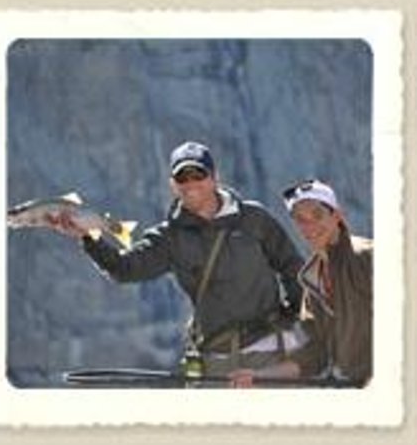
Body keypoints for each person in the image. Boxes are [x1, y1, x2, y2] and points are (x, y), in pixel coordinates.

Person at [55, 141, 305, 384]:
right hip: (216, 363)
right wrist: (87, 237)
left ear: (214, 178)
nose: (191, 183)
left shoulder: (254, 219)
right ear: (173, 185)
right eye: (182, 178)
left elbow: (293, 268)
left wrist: (301, 323)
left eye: (198, 175)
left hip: (271, 355)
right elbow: (124, 269)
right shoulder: (170, 238)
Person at [231, 178, 373, 388]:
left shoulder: (367, 257)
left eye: (317, 215)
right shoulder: (311, 279)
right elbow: (316, 353)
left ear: (336, 215)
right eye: (300, 219)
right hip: (349, 388)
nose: (310, 225)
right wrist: (258, 375)